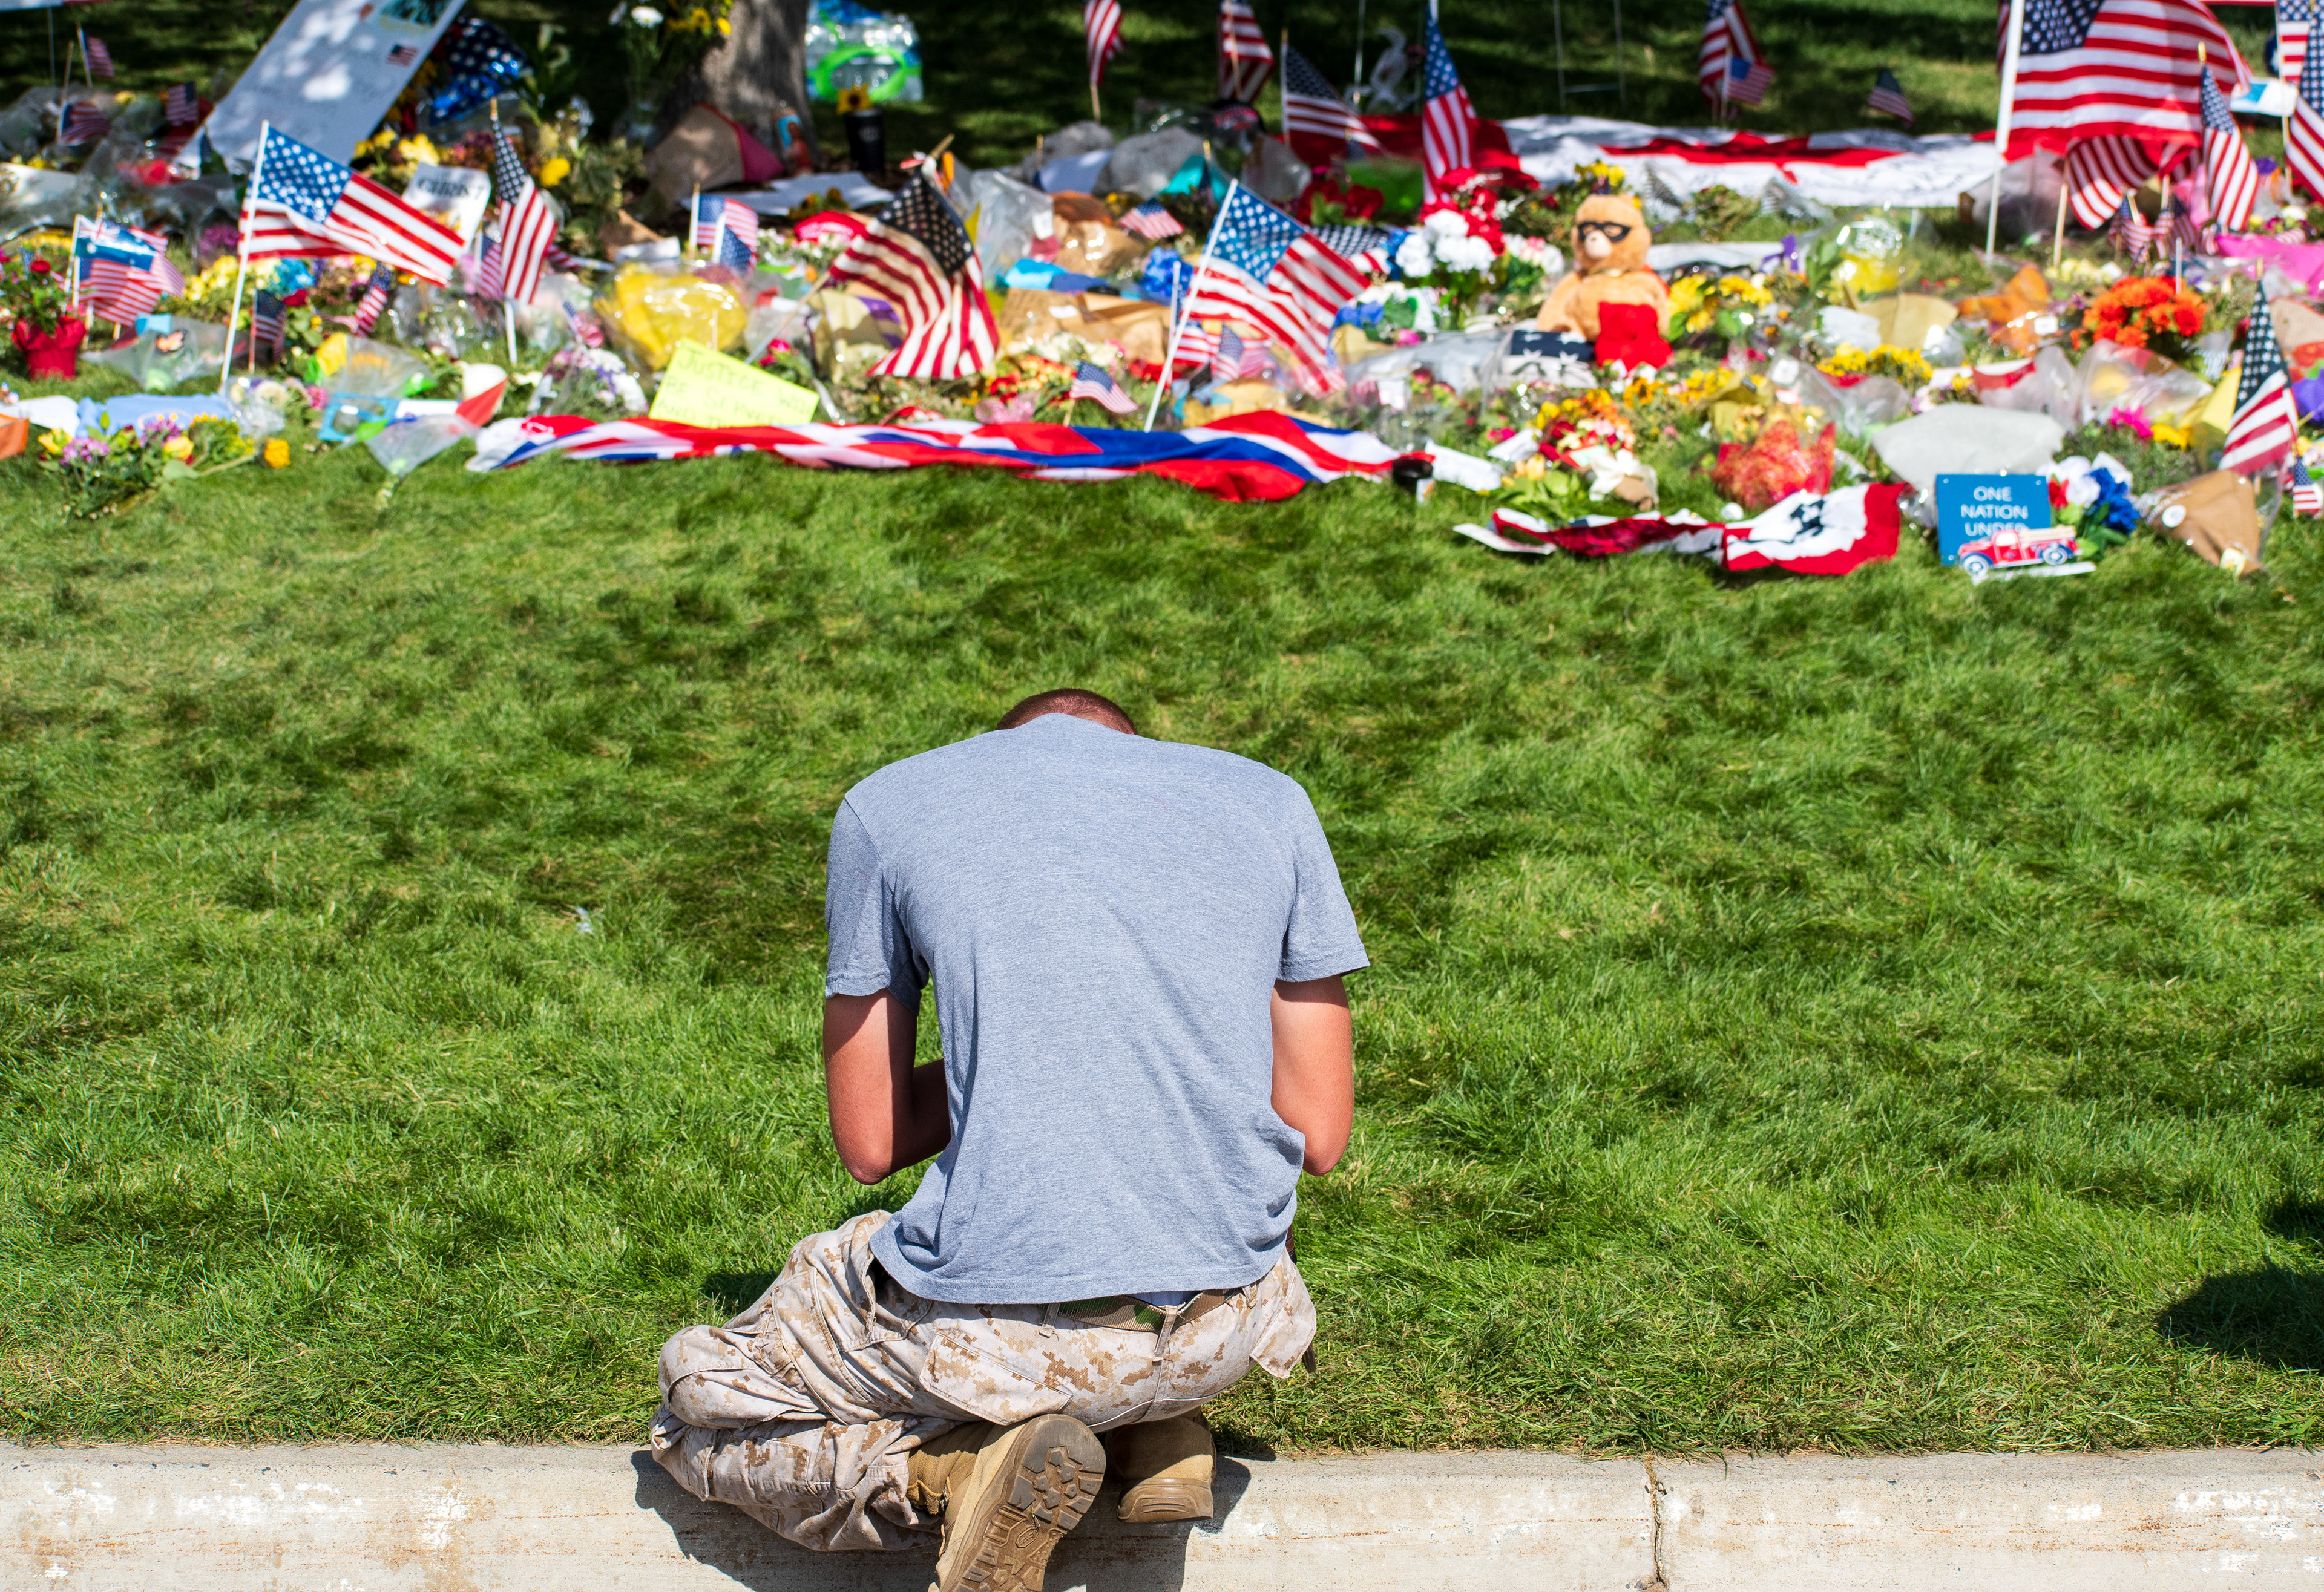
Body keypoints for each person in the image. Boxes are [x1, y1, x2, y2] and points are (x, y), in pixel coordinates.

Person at [649, 687, 1367, 1592]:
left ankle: (945, 1479)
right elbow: (1322, 1131)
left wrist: (1014, 1059)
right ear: (1136, 751)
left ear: (998, 754)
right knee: (1195, 1265)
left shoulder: (892, 805)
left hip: (1001, 1340)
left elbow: (872, 1142)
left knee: (697, 1402)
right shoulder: (1272, 801)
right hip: (1223, 1329)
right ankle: (1158, 1428)